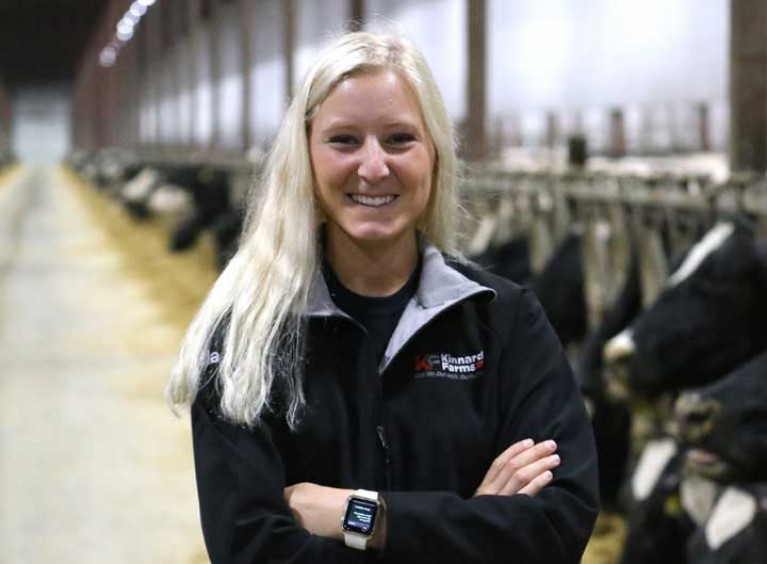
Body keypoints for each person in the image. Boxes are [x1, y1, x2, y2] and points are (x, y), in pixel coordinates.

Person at [166, 31, 599, 564]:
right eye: (344, 140)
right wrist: (478, 525)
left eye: (399, 139)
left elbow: (558, 528)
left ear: (435, 156)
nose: (374, 167)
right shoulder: (246, 341)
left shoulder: (505, 322)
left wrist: (357, 516)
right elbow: (250, 548)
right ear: (304, 156)